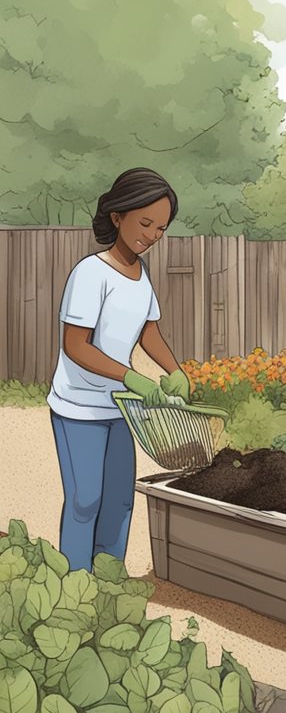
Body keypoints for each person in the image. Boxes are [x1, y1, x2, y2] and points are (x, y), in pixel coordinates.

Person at [47, 168, 191, 571]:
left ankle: (109, 583)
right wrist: (130, 376)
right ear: (117, 216)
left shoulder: (140, 275)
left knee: (119, 501)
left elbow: (149, 332)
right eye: (145, 223)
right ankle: (75, 586)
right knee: (84, 499)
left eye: (161, 228)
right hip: (79, 408)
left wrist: (174, 370)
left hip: (118, 408)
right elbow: (75, 346)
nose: (152, 235)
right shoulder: (91, 273)